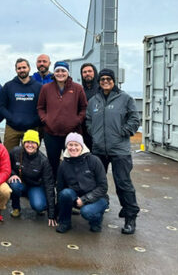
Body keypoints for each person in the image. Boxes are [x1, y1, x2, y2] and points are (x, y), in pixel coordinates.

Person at [87, 68, 141, 234]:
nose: (105, 81)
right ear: (99, 81)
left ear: (114, 80)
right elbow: (88, 120)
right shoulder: (93, 101)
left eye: (108, 79)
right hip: (98, 149)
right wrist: (94, 133)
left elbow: (135, 119)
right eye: (102, 79)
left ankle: (130, 216)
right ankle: (98, 211)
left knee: (123, 184)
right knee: (97, 183)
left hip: (119, 150)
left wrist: (123, 132)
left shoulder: (125, 98)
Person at [37, 61, 87, 179]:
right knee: (52, 162)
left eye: (63, 71)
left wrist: (76, 120)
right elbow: (40, 107)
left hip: (72, 134)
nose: (60, 73)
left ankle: (72, 186)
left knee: (73, 161)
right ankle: (53, 186)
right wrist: (45, 119)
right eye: (57, 71)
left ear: (68, 73)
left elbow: (84, 108)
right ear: (54, 73)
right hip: (51, 133)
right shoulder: (46, 88)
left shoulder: (77, 88)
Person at [55, 132, 108, 234]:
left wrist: (84, 200)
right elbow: (60, 188)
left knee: (86, 212)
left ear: (82, 146)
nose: (73, 148)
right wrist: (56, 211)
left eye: (76, 145)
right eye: (70, 145)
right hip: (76, 196)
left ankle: (97, 220)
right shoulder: (64, 164)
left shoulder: (94, 160)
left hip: (97, 197)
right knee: (65, 193)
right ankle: (65, 222)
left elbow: (103, 187)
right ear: (66, 146)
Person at [7, 130, 56, 226]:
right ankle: (16, 207)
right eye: (27, 142)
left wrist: (51, 214)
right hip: (20, 183)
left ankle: (39, 203)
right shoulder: (15, 152)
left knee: (39, 206)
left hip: (35, 186)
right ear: (23, 143)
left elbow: (49, 185)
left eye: (33, 142)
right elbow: (5, 166)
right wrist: (12, 174)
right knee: (14, 184)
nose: (30, 145)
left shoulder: (44, 161)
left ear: (37, 144)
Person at [0, 58, 42, 151]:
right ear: (16, 70)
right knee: (8, 155)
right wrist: (11, 118)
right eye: (19, 68)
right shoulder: (8, 86)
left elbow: (43, 107)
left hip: (32, 128)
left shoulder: (38, 87)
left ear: (29, 68)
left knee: (31, 156)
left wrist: (34, 120)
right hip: (12, 128)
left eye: (24, 67)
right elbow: (1, 106)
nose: (22, 70)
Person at [80, 63, 100, 152]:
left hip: (99, 131)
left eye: (89, 71)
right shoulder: (80, 90)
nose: (87, 73)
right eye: (84, 72)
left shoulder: (101, 90)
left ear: (94, 73)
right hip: (84, 131)